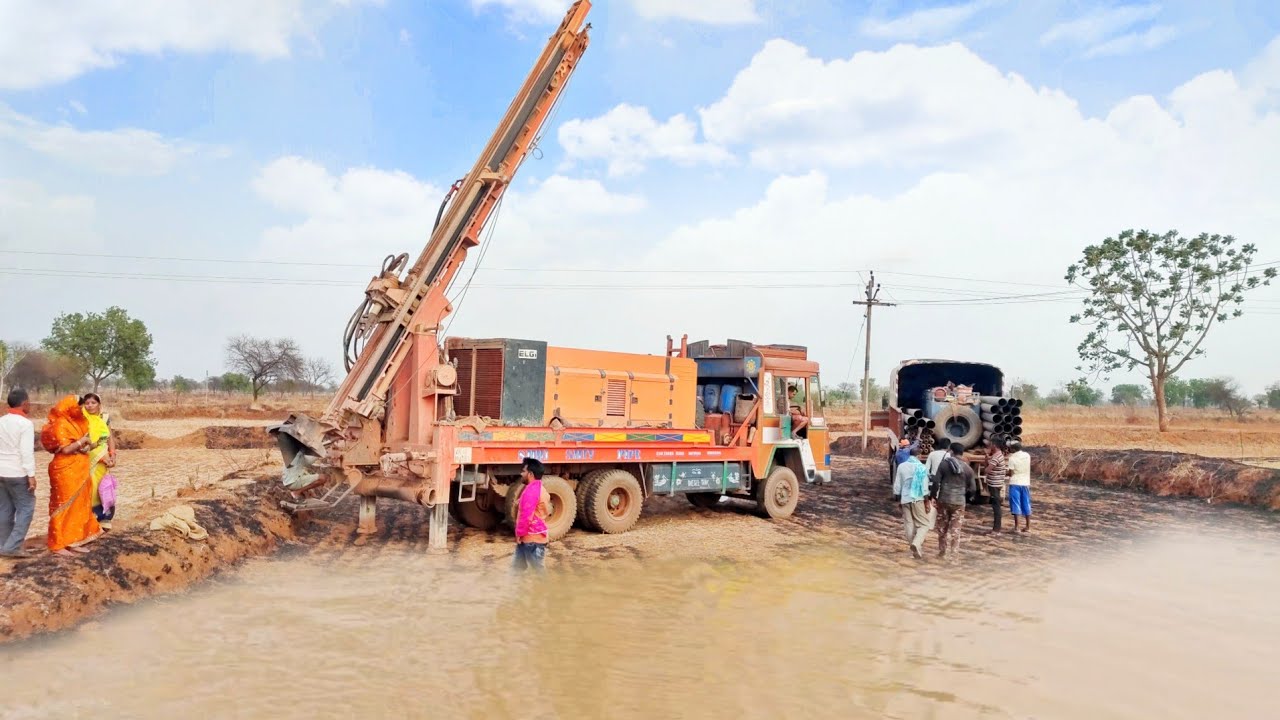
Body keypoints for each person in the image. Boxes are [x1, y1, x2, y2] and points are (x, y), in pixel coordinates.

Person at [39, 395, 102, 557]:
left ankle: (74, 541)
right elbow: (66, 449)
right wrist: (82, 441)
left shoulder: (75, 422)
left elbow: (78, 445)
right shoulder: (61, 424)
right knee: (63, 506)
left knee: (78, 505)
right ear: (69, 407)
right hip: (65, 470)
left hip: (79, 468)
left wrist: (85, 445)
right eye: (79, 406)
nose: (81, 409)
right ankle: (58, 543)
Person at [0, 388, 37, 558]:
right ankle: (12, 546)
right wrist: (31, 475)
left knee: (5, 509)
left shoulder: (2, 421)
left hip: (1, 472)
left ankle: (4, 544)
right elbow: (26, 452)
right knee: (26, 507)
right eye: (29, 402)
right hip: (17, 472)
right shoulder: (25, 424)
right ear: (24, 404)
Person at [932, 441, 976, 562]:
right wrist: (966, 498)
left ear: (951, 451)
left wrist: (933, 496)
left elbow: (936, 482)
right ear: (962, 453)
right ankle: (954, 557)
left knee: (942, 528)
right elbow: (973, 489)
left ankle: (942, 552)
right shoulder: (968, 469)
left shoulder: (944, 465)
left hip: (943, 500)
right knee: (956, 530)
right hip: (959, 502)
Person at [80, 393, 118, 530]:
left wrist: (112, 454)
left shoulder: (105, 418)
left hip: (104, 457)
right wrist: (100, 457)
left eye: (93, 403)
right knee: (91, 487)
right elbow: (84, 442)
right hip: (89, 457)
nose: (90, 406)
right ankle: (90, 518)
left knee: (104, 486)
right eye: (87, 403)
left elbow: (109, 438)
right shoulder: (82, 419)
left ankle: (105, 517)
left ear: (99, 405)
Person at [891, 446, 934, 559]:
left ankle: (914, 549)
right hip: (917, 498)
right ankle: (916, 543)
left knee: (909, 524)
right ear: (919, 455)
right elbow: (924, 487)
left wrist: (898, 498)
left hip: (905, 499)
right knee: (924, 524)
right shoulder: (921, 467)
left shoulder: (902, 466)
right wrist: (926, 501)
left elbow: (897, 484)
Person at [512, 457, 552, 572]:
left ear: (530, 474)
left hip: (531, 540)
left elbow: (526, 517)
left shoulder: (531, 492)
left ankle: (547, 590)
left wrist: (519, 534)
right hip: (531, 538)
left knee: (538, 574)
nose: (521, 474)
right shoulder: (538, 488)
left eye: (523, 471)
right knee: (517, 570)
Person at [1007, 439, 1032, 533]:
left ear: (1012, 449)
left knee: (1016, 504)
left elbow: (1011, 473)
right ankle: (1028, 527)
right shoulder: (1027, 455)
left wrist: (1005, 473)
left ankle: (1017, 527)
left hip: (1015, 483)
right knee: (1026, 504)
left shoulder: (1012, 458)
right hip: (1025, 483)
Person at [984, 436, 1008, 533]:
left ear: (994, 445)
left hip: (994, 485)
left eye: (990, 444)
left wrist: (986, 464)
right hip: (996, 484)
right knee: (995, 505)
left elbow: (987, 470)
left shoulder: (996, 457)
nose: (989, 446)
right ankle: (996, 528)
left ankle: (996, 530)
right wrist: (986, 459)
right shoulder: (998, 455)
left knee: (996, 507)